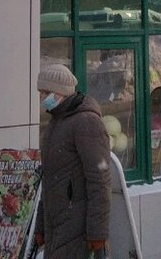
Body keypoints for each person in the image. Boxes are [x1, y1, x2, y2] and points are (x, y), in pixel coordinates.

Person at [34, 64, 111, 259]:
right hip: (57, 223)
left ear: (60, 92)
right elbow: (49, 179)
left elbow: (100, 178)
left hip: (78, 225)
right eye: (41, 93)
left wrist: (98, 232)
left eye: (46, 93)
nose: (42, 98)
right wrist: (41, 225)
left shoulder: (86, 122)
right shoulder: (56, 121)